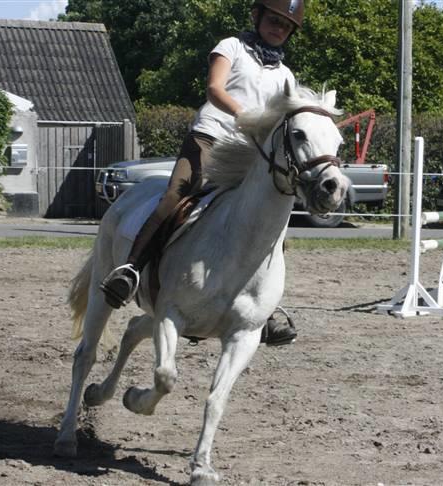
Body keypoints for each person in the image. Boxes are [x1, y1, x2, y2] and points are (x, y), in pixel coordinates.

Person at [100, 0, 304, 346]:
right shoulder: (231, 46)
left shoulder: (286, 76)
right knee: (177, 194)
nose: (278, 29)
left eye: (285, 26)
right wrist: (245, 115)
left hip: (248, 154)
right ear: (257, 17)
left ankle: (264, 309)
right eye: (273, 20)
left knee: (269, 221)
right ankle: (131, 270)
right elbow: (215, 88)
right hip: (211, 137)